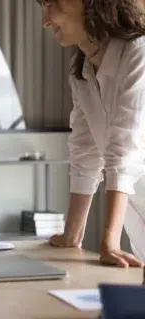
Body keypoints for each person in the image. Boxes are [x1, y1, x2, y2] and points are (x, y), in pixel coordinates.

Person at [38, 0, 145, 268]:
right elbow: (85, 153)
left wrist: (110, 241)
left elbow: (125, 149)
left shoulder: (139, 53)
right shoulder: (82, 71)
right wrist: (71, 235)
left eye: (53, 6)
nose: (46, 21)